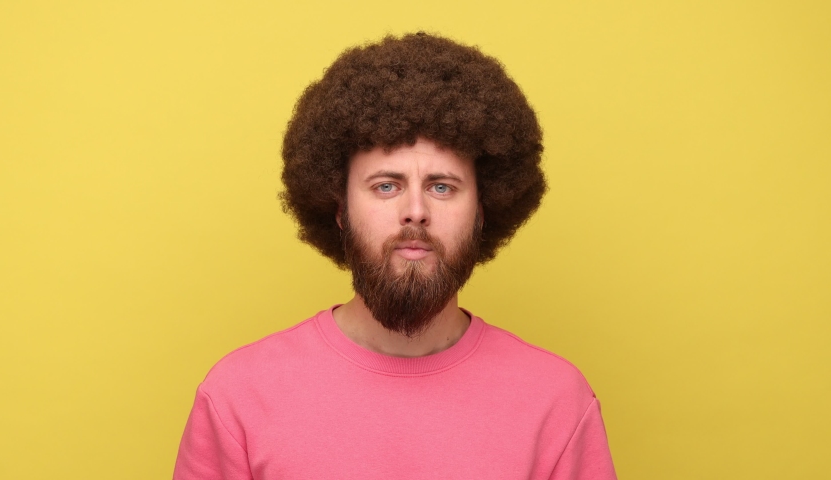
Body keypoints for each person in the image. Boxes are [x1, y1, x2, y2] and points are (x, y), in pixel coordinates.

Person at [174, 32, 617, 480]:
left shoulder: (557, 401)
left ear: (482, 212)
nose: (416, 213)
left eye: (442, 187)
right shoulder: (238, 397)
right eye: (386, 185)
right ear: (340, 210)